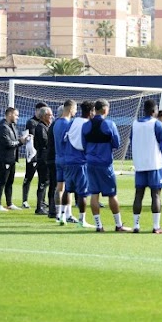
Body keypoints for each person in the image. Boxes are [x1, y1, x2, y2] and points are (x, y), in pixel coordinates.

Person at [81, 99, 131, 232]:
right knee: (112, 194)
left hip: (90, 163)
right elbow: (116, 143)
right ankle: (118, 224)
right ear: (104, 109)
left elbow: (84, 145)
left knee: (94, 194)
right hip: (105, 163)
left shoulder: (86, 126)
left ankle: (98, 225)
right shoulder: (109, 124)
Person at [131, 99, 162, 234]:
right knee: (156, 195)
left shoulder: (134, 124)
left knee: (138, 195)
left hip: (139, 164)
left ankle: (136, 225)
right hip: (154, 164)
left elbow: (132, 140)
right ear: (154, 111)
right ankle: (156, 226)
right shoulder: (158, 125)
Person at [63, 99, 93, 227]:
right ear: (91, 112)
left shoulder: (72, 122)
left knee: (68, 189)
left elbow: (65, 138)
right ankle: (82, 220)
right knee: (82, 193)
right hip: (80, 162)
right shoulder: (88, 125)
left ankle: (62, 216)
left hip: (68, 160)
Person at [0, 107, 29, 211]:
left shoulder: (12, 126)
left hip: (11, 159)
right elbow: (8, 143)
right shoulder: (3, 127)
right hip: (4, 158)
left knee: (10, 182)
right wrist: (21, 141)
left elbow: (14, 141)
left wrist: (22, 140)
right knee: (2, 181)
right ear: (10, 114)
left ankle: (9, 204)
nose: (17, 117)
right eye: (16, 115)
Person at [21, 102, 48, 209]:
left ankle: (42, 200)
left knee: (43, 179)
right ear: (37, 111)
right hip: (32, 155)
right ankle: (25, 200)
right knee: (28, 177)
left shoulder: (45, 123)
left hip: (42, 155)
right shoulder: (31, 122)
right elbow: (31, 138)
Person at [53, 101, 76, 224]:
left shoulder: (56, 123)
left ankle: (58, 214)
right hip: (67, 159)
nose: (76, 112)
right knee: (69, 188)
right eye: (75, 109)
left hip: (58, 158)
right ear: (70, 109)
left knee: (59, 187)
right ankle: (68, 214)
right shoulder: (68, 124)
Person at [33, 106, 53, 215]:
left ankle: (42, 204)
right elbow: (45, 142)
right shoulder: (40, 127)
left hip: (44, 158)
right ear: (44, 116)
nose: (51, 117)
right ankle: (39, 207)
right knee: (43, 183)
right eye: (50, 115)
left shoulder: (45, 126)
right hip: (43, 159)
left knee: (45, 183)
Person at [46, 106, 60, 219]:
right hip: (55, 158)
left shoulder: (53, 125)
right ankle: (55, 210)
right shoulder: (58, 125)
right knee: (57, 185)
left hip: (51, 158)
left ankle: (52, 210)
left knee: (53, 185)